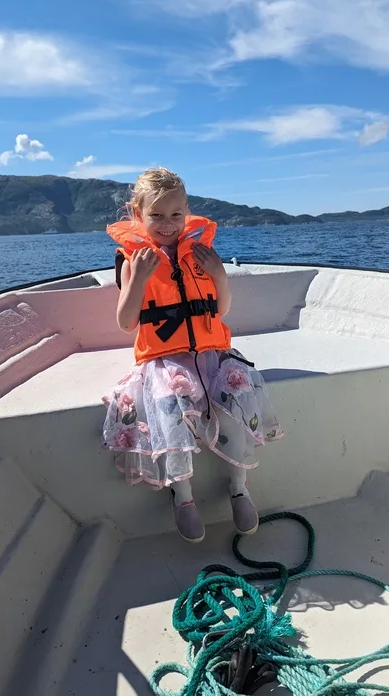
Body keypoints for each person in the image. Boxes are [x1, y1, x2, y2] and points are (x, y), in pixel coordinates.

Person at [102, 167, 283, 543]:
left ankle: (239, 487)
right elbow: (125, 322)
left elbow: (221, 309)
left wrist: (219, 276)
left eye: (175, 215)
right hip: (166, 360)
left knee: (235, 400)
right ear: (137, 214)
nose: (167, 225)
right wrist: (136, 280)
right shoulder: (131, 259)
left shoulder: (200, 251)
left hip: (212, 354)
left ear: (187, 212)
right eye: (156, 216)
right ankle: (183, 498)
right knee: (171, 408)